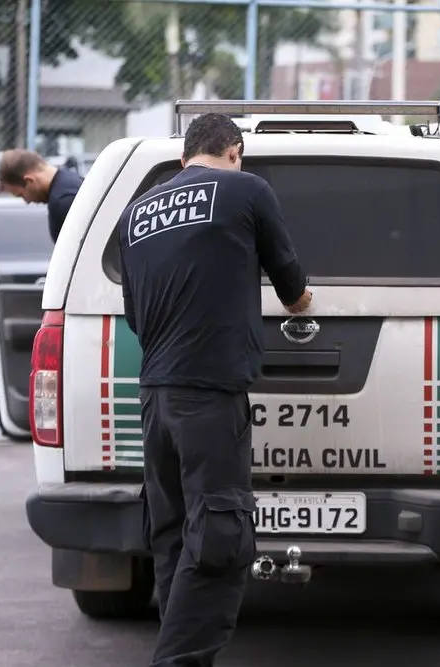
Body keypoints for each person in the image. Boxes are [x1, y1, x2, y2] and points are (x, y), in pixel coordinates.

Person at [118, 112, 312, 666]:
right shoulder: (246, 189)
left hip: (155, 396)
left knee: (174, 537)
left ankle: (177, 652)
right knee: (220, 538)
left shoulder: (137, 212)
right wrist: (301, 304)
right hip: (208, 394)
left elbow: (136, 314)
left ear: (184, 159)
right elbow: (292, 286)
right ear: (235, 151)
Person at [0, 149, 83, 242]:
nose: (27, 201)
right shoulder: (72, 180)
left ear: (29, 180)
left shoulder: (62, 202)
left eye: (21, 195)